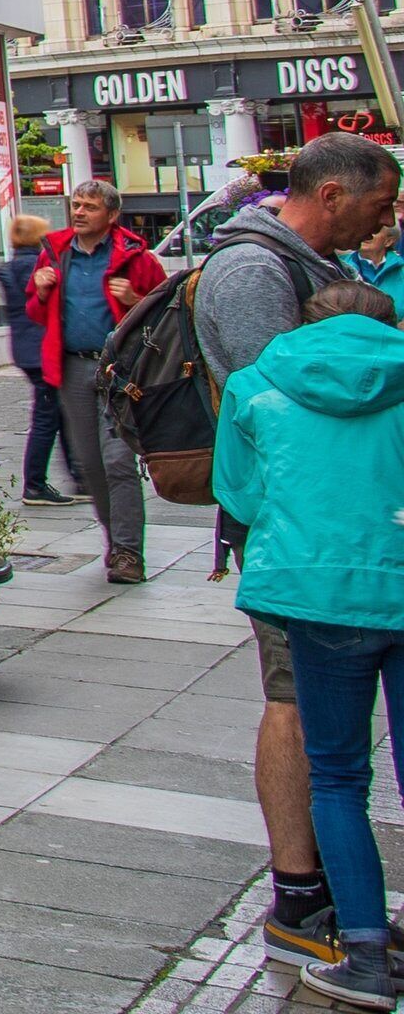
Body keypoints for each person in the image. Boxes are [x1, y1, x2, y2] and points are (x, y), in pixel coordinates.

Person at [189, 134, 404, 974]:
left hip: (325, 549)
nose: (386, 220)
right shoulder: (253, 273)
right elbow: (276, 422)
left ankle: (348, 915)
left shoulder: (303, 266)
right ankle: (301, 891)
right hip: (311, 552)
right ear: (334, 194)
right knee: (303, 720)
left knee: (329, 742)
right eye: (380, 204)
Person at [218, 276, 404, 1010]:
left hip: (313, 589)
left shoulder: (258, 382)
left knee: (337, 777)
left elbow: (240, 493)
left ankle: (361, 949)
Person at [24, 180, 169, 583]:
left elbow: (164, 316)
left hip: (120, 370)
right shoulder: (54, 253)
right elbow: (37, 313)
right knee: (90, 466)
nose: (79, 212)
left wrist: (135, 299)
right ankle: (113, 540)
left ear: (111, 215)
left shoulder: (137, 256)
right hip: (72, 368)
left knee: (118, 461)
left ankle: (128, 553)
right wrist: (39, 291)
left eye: (89, 206)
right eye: (76, 204)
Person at [0, 213, 79, 504]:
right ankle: (35, 483)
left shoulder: (9, 267)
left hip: (24, 348)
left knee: (58, 413)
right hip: (42, 347)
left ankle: (77, 476)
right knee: (48, 417)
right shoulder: (40, 265)